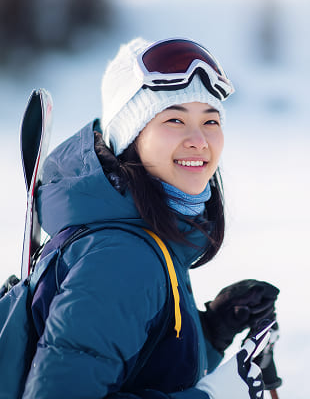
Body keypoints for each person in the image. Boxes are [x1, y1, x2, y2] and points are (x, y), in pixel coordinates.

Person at [23, 37, 280, 398]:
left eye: (210, 120)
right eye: (175, 119)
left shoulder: (144, 235)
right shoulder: (122, 259)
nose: (199, 140)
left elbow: (141, 364)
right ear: (130, 138)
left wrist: (212, 331)